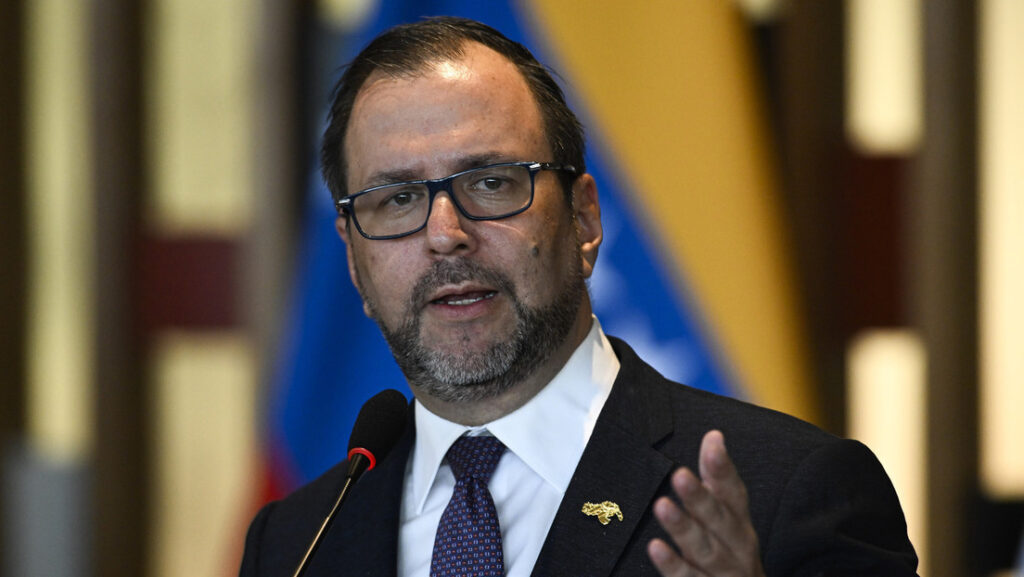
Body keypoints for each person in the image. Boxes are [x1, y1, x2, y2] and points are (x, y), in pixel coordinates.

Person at [240, 17, 918, 577]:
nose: (445, 235)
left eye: (491, 183)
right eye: (397, 199)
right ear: (354, 262)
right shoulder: (296, 542)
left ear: (585, 220)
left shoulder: (792, 493)